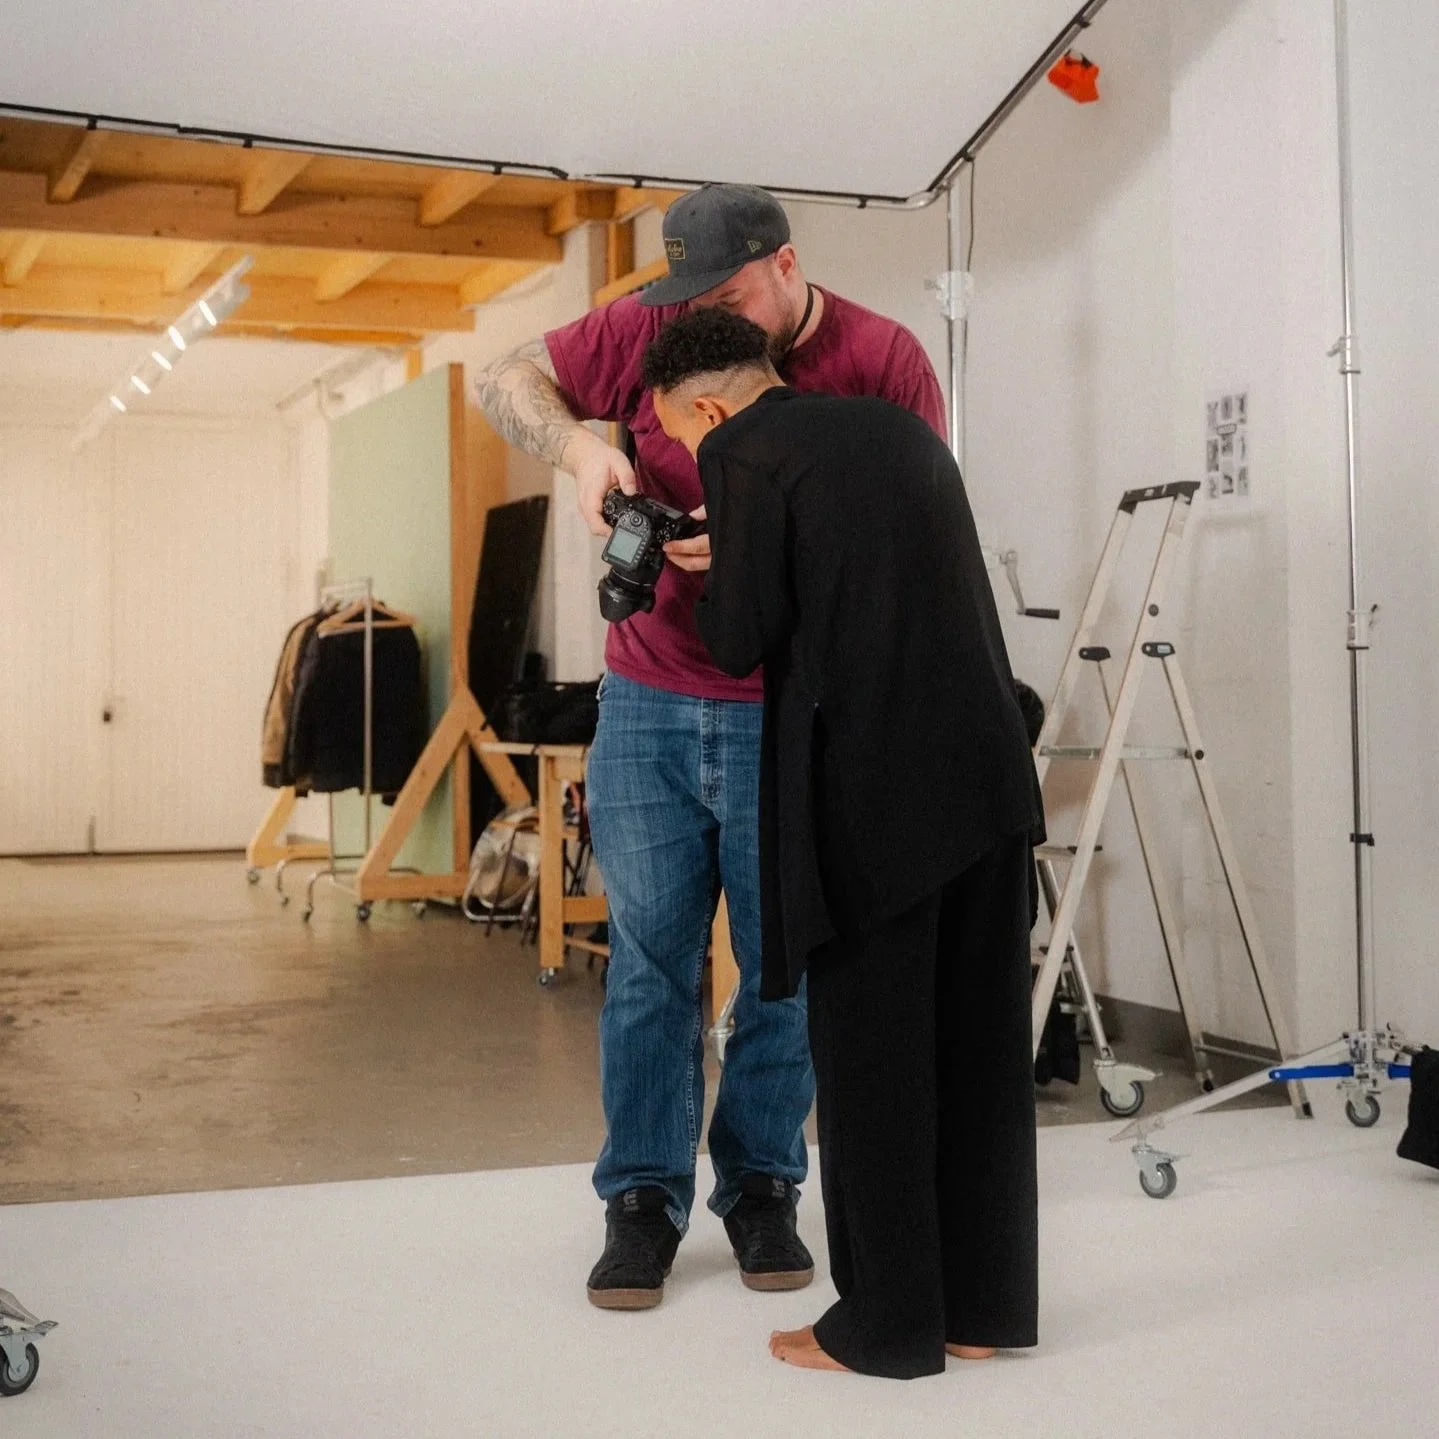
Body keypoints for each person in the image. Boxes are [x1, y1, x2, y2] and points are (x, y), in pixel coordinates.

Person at [473, 184, 947, 1310]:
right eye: (685, 297)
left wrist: (772, 538)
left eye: (726, 294)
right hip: (643, 698)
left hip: (790, 706)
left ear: (785, 266)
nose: (704, 317)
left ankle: (761, 1189)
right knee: (648, 961)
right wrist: (581, 450)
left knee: (779, 962)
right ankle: (639, 1199)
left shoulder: (883, 358)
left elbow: (916, 521)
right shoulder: (653, 325)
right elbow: (503, 377)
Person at [643, 307, 1043, 1381]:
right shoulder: (895, 431)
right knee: (977, 1052)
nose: (695, 456)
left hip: (874, 796)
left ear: (710, 407)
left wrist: (707, 562)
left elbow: (738, 640)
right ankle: (983, 1305)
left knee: (870, 1060)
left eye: (682, 436)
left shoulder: (740, 450)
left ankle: (886, 1324)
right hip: (989, 773)